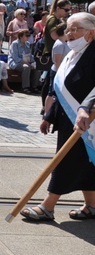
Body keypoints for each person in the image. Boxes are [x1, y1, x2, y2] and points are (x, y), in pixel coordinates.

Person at [21, 12, 95, 222]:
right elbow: (60, 89)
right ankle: (92, 204)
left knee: (65, 162)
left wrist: (85, 107)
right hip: (69, 120)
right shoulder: (73, 54)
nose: (69, 34)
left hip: (87, 121)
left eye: (75, 29)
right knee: (86, 163)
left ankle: (47, 206)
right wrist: (49, 116)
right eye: (68, 29)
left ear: (91, 32)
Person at [9, 29, 39, 94]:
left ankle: (34, 86)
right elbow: (15, 57)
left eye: (29, 36)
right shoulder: (15, 44)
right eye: (26, 36)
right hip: (15, 63)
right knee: (26, 67)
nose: (28, 37)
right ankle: (25, 87)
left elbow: (30, 55)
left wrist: (33, 62)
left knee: (37, 68)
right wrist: (27, 63)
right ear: (21, 36)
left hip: (26, 62)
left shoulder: (27, 44)